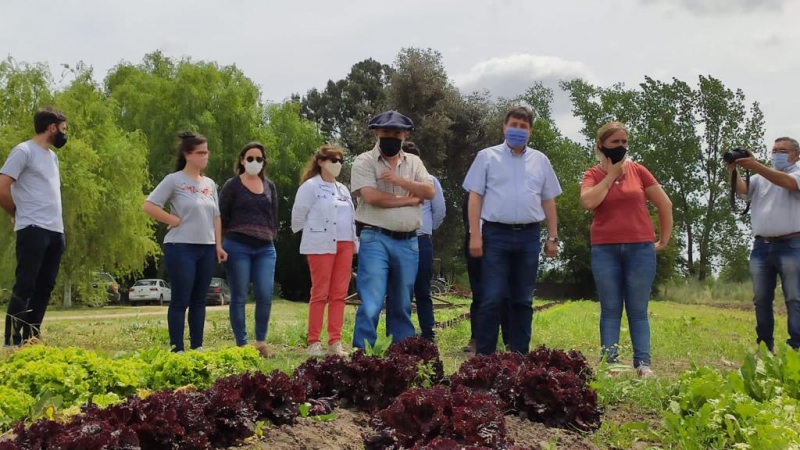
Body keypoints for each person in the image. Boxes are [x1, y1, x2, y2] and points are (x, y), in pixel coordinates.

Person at [463, 106, 562, 355]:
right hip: (495, 235)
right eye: (514, 125)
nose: (518, 130)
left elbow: (548, 200)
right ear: (504, 127)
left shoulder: (540, 160)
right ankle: (484, 358)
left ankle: (519, 357)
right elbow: (475, 196)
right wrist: (475, 235)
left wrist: (552, 237)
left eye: (523, 126)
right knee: (492, 297)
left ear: (530, 130)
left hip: (529, 236)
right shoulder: (487, 157)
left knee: (523, 300)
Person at [580, 121, 672, 377]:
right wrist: (611, 175)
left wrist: (663, 240)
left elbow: (665, 204)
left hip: (640, 249)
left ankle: (643, 363)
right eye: (615, 143)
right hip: (604, 250)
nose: (621, 147)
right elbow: (588, 201)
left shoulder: (639, 171)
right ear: (601, 145)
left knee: (637, 310)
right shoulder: (592, 174)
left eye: (624, 142)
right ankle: (610, 363)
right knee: (610, 309)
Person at [350, 110, 435, 349]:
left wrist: (401, 182)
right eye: (386, 132)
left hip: (409, 241)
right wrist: (408, 199)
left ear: (405, 135)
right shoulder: (364, 161)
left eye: (396, 133)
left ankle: (401, 355)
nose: (391, 136)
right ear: (376, 132)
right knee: (372, 301)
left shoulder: (414, 162)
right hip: (375, 237)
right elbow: (370, 196)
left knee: (402, 303)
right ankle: (362, 354)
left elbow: (429, 192)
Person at [143, 132, 227, 353]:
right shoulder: (174, 180)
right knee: (181, 299)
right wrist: (173, 219)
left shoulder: (210, 183)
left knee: (200, 300)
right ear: (188, 154)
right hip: (180, 247)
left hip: (207, 248)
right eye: (201, 152)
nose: (205, 156)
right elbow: (149, 205)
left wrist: (218, 245)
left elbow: (216, 216)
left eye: (206, 152)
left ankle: (197, 346)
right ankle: (177, 348)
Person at [0, 107, 68, 347]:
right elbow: (2, 186)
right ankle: (11, 341)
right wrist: (15, 213)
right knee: (26, 283)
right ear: (52, 127)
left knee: (45, 285)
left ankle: (31, 337)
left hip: (55, 230)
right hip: (32, 228)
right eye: (63, 128)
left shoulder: (52, 156)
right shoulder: (23, 151)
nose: (64, 133)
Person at [729, 137, 800, 354]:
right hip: (761, 246)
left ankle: (796, 345)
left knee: (794, 297)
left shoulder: (796, 173)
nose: (777, 153)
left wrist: (755, 165)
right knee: (761, 298)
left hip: (792, 244)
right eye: (775, 150)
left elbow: (788, 183)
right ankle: (765, 344)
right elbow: (741, 190)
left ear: (796, 154)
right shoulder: (760, 178)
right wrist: (733, 168)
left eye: (783, 150)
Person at [291, 145, 356, 357]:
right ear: (321, 162)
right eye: (333, 160)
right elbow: (298, 216)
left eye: (340, 161)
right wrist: (313, 232)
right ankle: (313, 341)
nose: (337, 164)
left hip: (345, 243)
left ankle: (335, 341)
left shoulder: (343, 189)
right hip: (321, 244)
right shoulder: (310, 186)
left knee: (339, 294)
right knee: (320, 293)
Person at [219, 142, 278, 358]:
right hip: (237, 246)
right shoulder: (232, 186)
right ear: (242, 160)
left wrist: (271, 237)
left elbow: (273, 216)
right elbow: (221, 217)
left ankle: (261, 342)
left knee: (265, 294)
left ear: (264, 162)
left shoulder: (269, 186)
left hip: (265, 248)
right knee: (239, 296)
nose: (255, 162)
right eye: (250, 158)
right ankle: (242, 345)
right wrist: (220, 244)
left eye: (259, 159)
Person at [400, 141, 445, 341]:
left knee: (423, 289)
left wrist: (428, 228)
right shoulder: (395, 182)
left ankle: (428, 333)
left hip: (421, 240)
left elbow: (440, 210)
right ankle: (402, 334)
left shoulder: (431, 181)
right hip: (399, 239)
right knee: (400, 289)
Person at [461, 190, 510, 353]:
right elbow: (466, 216)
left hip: (501, 243)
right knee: (479, 294)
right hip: (475, 243)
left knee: (503, 293)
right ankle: (477, 338)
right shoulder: (471, 190)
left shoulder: (504, 186)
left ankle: (509, 340)